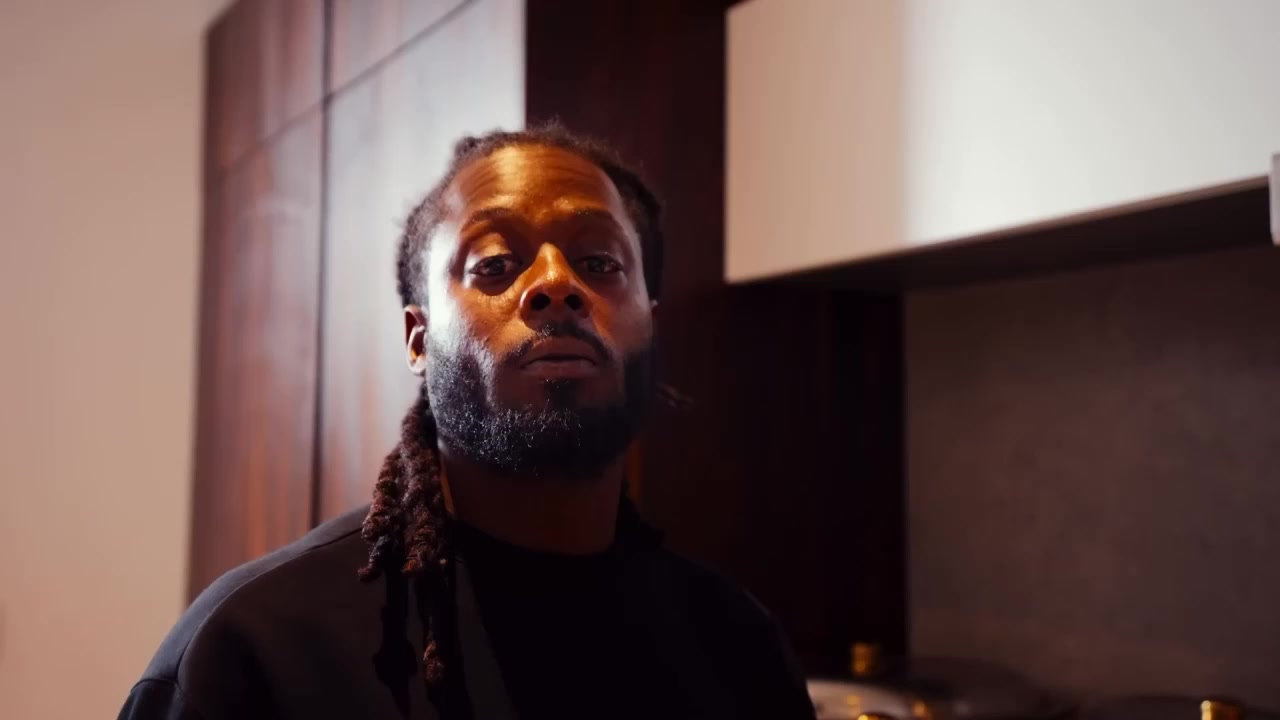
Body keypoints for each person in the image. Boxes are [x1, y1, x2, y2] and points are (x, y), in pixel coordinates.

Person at [118, 126, 815, 720]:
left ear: (650, 326)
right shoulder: (253, 652)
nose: (556, 283)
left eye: (599, 262)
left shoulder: (737, 649)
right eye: (495, 264)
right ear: (419, 339)